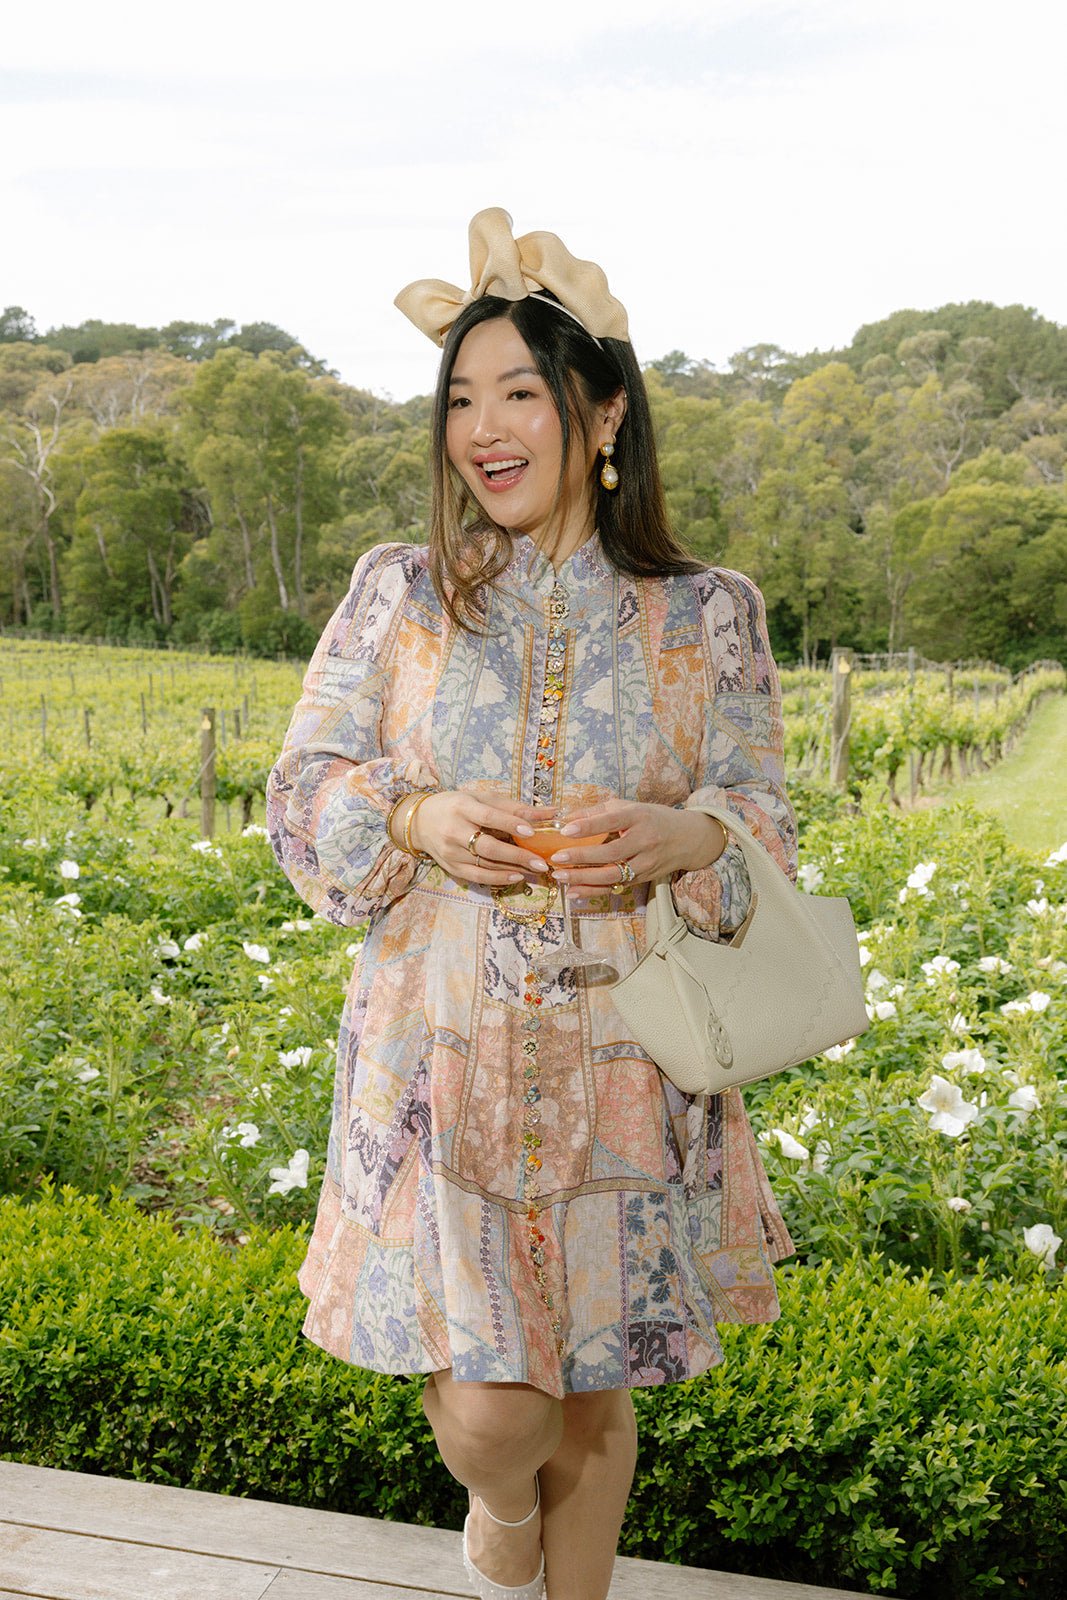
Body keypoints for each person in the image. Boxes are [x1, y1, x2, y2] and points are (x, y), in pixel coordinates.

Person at [265, 208, 798, 1600]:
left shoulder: (710, 615)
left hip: (633, 1062)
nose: (481, 427)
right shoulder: (402, 595)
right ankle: (501, 1522)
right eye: (459, 398)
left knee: (597, 1404)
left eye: (519, 392)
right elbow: (303, 789)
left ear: (604, 412)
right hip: (439, 1060)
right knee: (504, 1415)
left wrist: (688, 834)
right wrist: (415, 815)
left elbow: (763, 832)